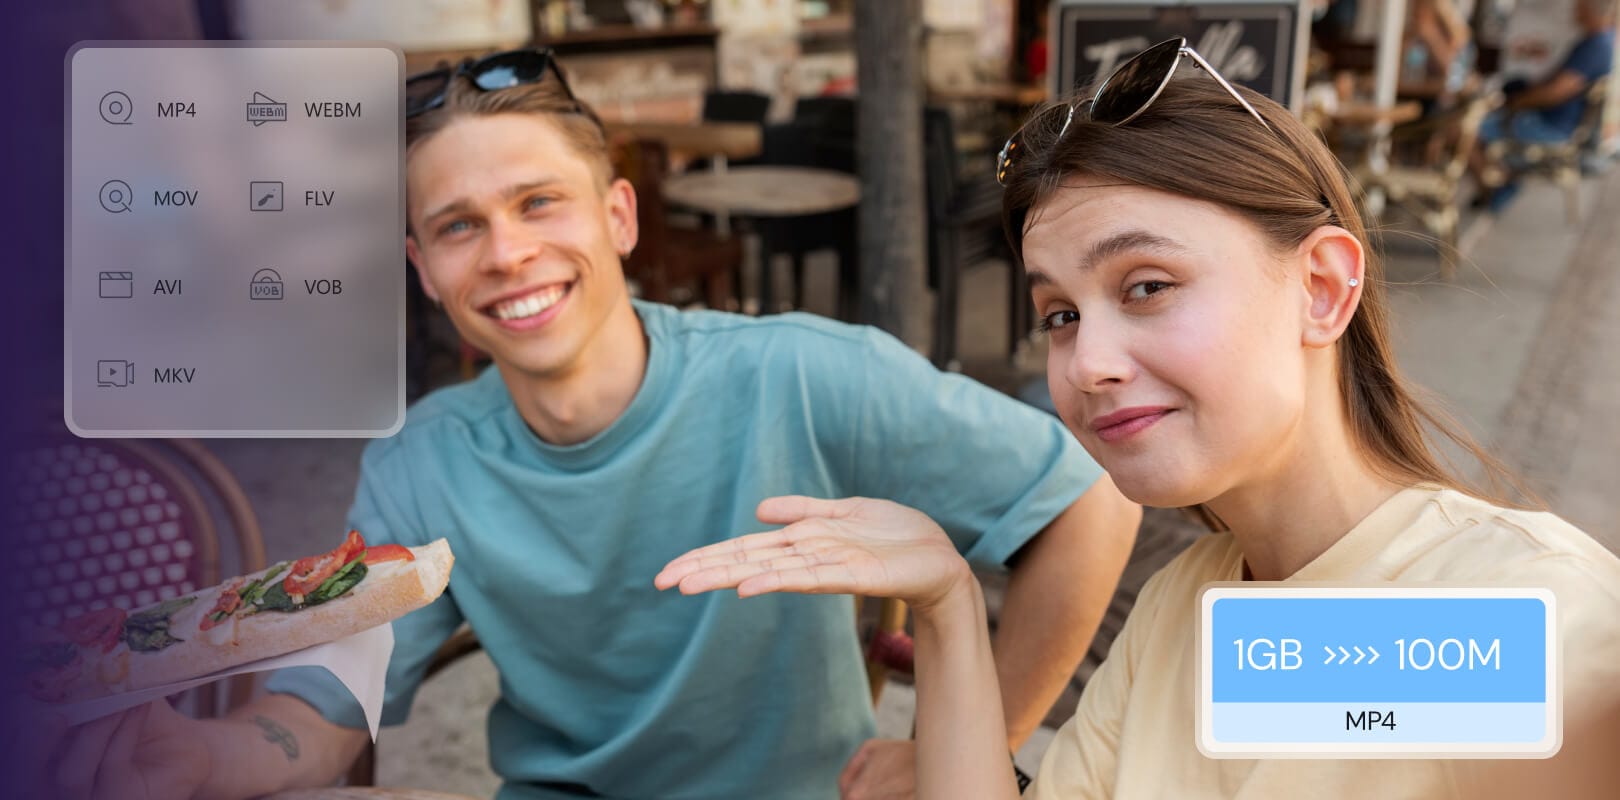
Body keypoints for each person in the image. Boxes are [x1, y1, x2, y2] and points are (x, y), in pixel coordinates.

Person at [35, 50, 1143, 800]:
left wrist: (962, 751)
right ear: (420, 268)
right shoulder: (423, 461)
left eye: (538, 203)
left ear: (618, 217)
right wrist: (208, 756)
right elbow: (327, 702)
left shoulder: (804, 374)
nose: (507, 253)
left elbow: (1088, 500)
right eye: (458, 226)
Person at [658, 38, 1620, 799]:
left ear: (1322, 289)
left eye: (1148, 285)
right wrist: (948, 606)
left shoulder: (1520, 616)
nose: (1089, 363)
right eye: (1060, 315)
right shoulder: (1183, 606)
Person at [1473, 0, 1615, 211]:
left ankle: (1496, 186)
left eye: (1580, 6)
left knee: (1469, 128)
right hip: (1553, 118)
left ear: (1591, 10)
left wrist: (1514, 102)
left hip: (1551, 124)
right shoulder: (1598, 40)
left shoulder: (1596, 45)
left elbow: (1556, 91)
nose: (1574, 10)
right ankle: (1500, 178)